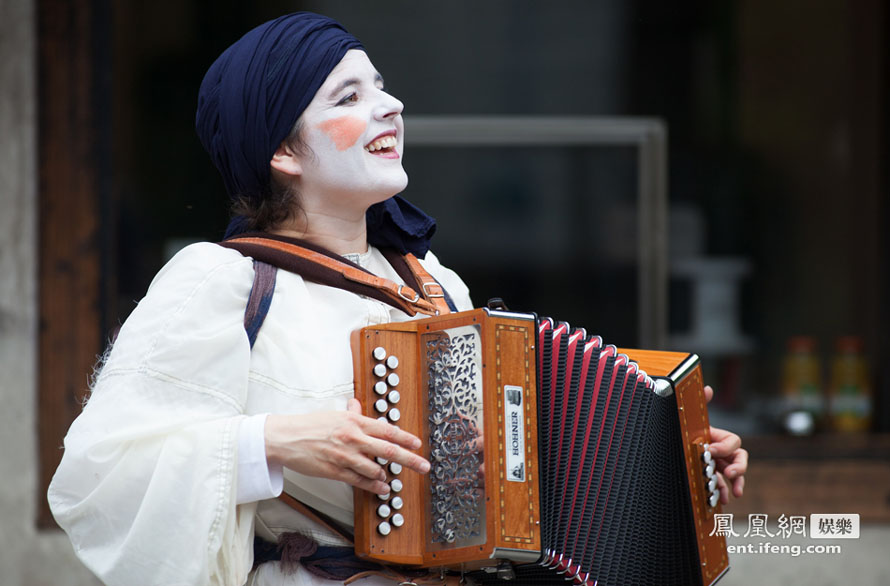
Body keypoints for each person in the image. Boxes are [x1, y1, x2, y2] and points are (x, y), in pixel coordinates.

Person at [47, 12, 747, 586]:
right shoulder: (221, 282)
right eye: (348, 98)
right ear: (283, 153)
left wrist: (672, 467)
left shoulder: (435, 283)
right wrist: (276, 442)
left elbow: (513, 491)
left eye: (380, 87)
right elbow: (96, 480)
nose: (390, 105)